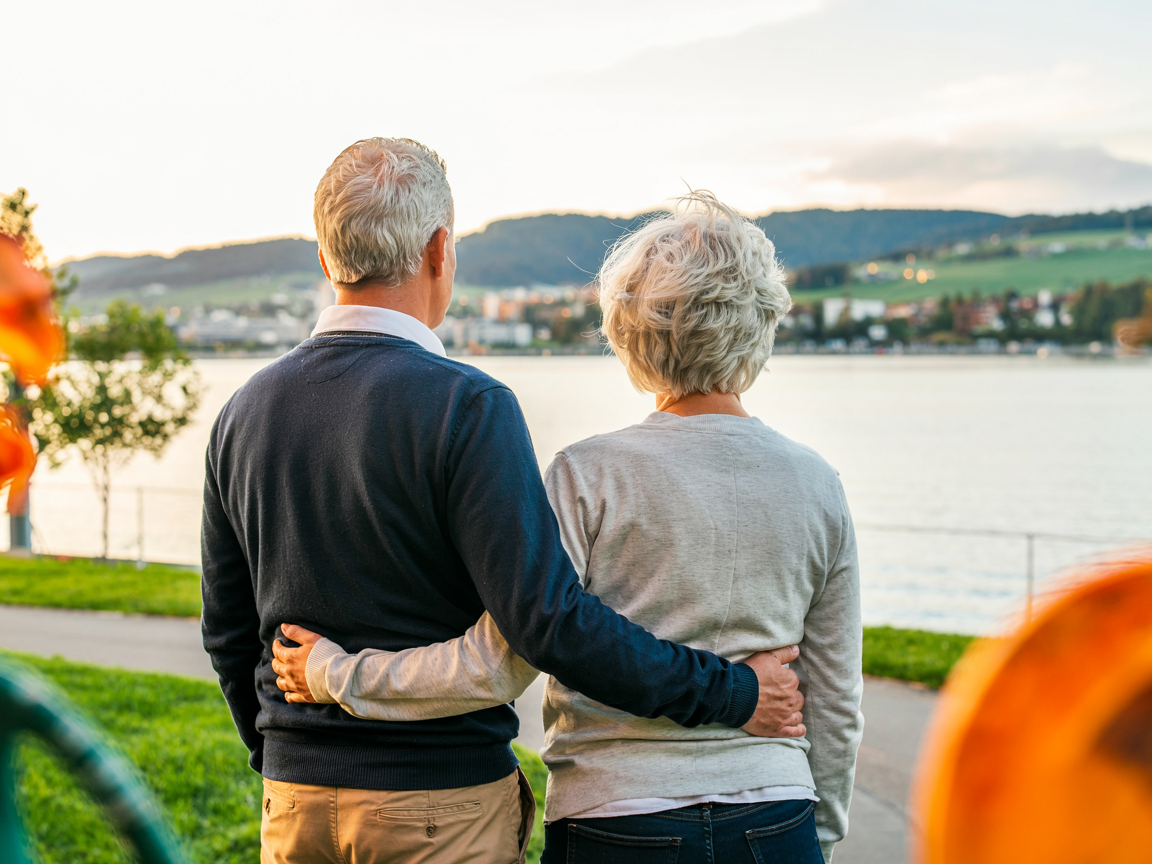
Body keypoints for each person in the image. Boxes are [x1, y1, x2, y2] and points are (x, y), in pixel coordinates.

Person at [201, 139, 807, 864]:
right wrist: (734, 693)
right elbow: (547, 623)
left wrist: (285, 756)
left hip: (294, 800)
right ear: (439, 251)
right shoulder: (466, 406)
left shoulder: (241, 414)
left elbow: (228, 633)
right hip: (438, 803)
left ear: (327, 259)